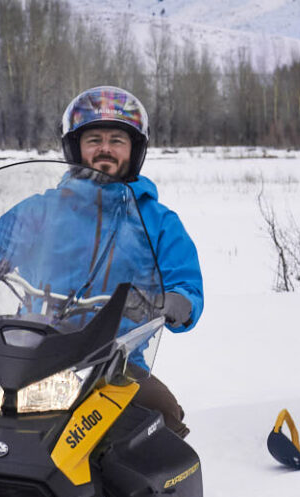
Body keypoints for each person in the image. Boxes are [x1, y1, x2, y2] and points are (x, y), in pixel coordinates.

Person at [56, 86, 204, 436]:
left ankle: (152, 491)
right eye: (94, 139)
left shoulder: (158, 221)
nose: (105, 148)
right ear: (75, 147)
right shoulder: (42, 210)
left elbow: (186, 284)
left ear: (133, 150)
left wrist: (174, 302)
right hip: (35, 347)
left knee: (163, 414)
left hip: (115, 360)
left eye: (116, 140)